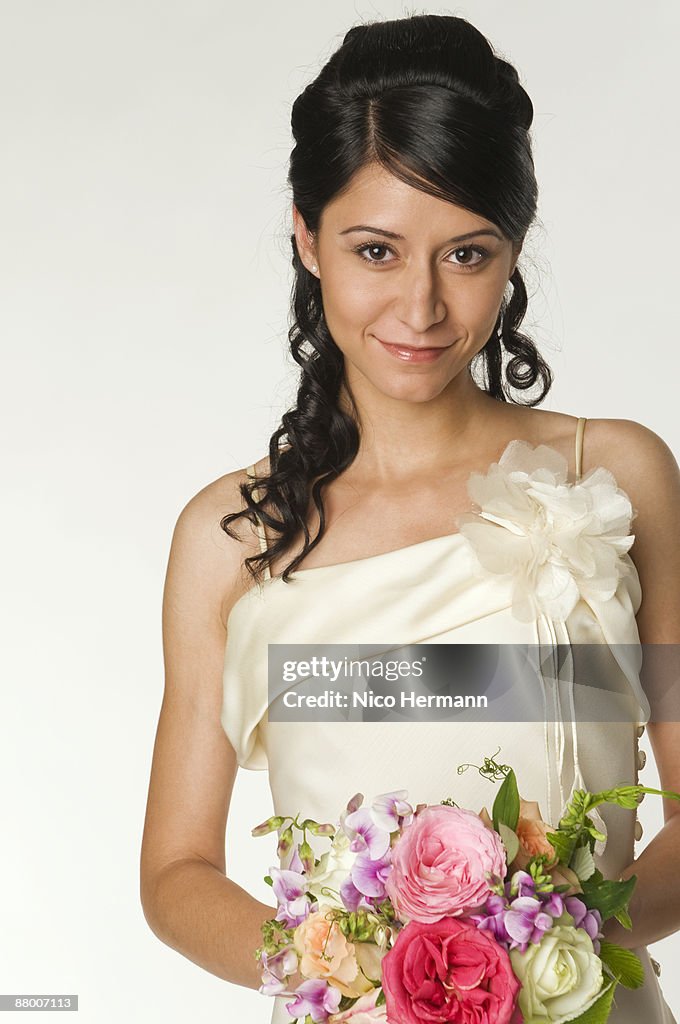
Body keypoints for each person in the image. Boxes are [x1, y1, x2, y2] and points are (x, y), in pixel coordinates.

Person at [140, 14, 680, 1023]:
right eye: (376, 249)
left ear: (511, 249)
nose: (420, 306)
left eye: (465, 253)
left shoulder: (613, 476)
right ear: (305, 236)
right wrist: (362, 966)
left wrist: (552, 940)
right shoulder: (230, 536)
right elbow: (174, 871)